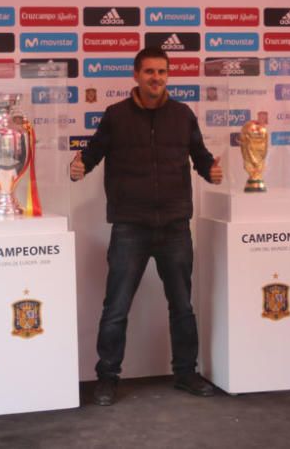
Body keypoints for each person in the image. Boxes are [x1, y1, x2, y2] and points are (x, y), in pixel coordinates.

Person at [70, 47, 223, 406]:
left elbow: (201, 157)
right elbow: (90, 155)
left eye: (162, 72)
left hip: (174, 226)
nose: (156, 78)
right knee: (116, 306)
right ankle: (107, 378)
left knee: (182, 305)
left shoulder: (183, 115)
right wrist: (77, 168)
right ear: (136, 75)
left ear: (168, 76)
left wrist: (210, 171)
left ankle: (185, 371)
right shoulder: (115, 116)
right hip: (130, 227)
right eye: (150, 71)